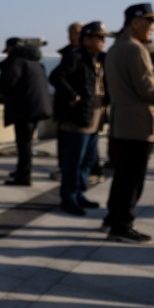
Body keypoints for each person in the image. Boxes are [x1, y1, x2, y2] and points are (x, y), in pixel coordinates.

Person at [104, 3, 154, 243]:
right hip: (138, 125)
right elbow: (149, 90)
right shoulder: (135, 50)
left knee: (123, 176)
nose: (152, 28)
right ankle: (122, 225)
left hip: (122, 123)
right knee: (132, 178)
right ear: (134, 23)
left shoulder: (117, 47)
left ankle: (113, 218)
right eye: (148, 22)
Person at [49, 21, 109, 216]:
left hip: (94, 118)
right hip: (78, 120)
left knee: (87, 161)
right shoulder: (75, 57)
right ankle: (69, 197)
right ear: (87, 39)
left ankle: (80, 193)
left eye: (103, 37)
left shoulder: (98, 58)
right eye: (99, 37)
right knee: (73, 162)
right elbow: (56, 77)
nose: (102, 41)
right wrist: (73, 96)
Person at [0, 37, 52, 186]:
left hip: (24, 109)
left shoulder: (16, 61)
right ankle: (21, 170)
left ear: (11, 48)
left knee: (23, 144)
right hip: (35, 107)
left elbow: (6, 83)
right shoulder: (35, 62)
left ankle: (23, 176)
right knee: (26, 143)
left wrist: (2, 93)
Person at [50, 22, 82, 181]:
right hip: (66, 105)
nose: (73, 36)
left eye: (76, 32)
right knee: (64, 140)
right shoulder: (70, 54)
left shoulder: (79, 54)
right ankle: (65, 170)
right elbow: (57, 76)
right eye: (71, 33)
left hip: (78, 105)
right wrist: (71, 95)